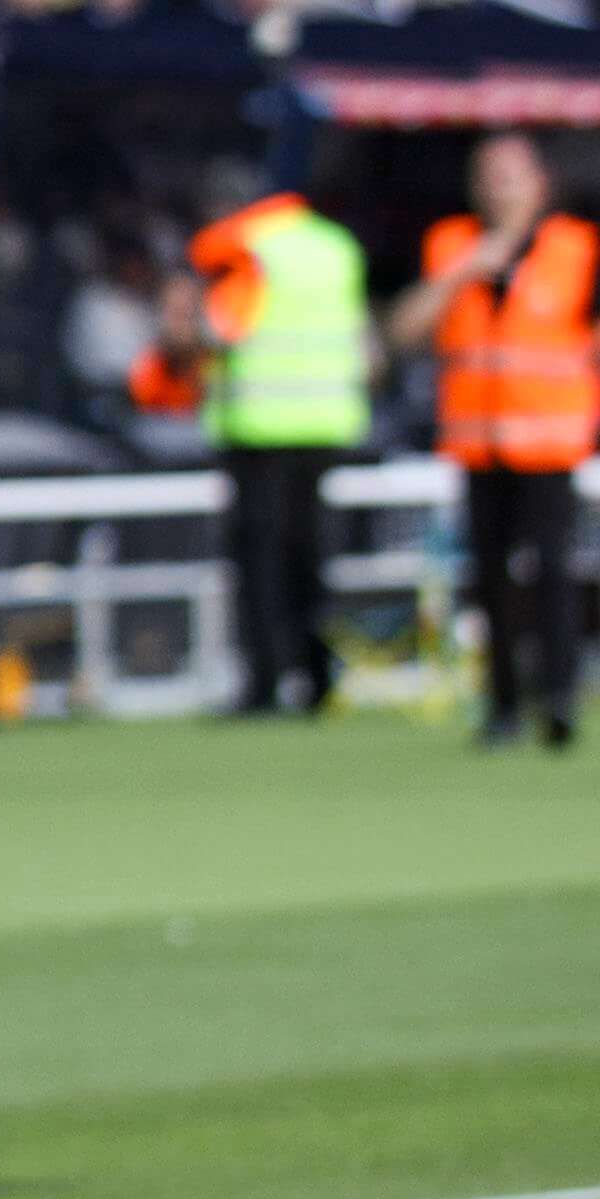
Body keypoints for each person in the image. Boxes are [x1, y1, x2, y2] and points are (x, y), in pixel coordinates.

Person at [141, 183, 370, 715]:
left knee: (259, 559)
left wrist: (177, 339)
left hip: (258, 424)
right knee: (310, 554)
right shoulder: (334, 245)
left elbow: (221, 330)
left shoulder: (240, 250)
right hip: (326, 418)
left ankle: (265, 682)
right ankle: (318, 676)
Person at [394, 131, 590, 750]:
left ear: (540, 184)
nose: (497, 190)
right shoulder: (451, 244)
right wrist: (466, 271)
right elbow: (404, 331)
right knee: (489, 577)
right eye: (487, 177)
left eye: (510, 176)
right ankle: (503, 705)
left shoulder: (576, 248)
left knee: (552, 572)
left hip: (549, 441)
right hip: (478, 443)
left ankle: (558, 698)